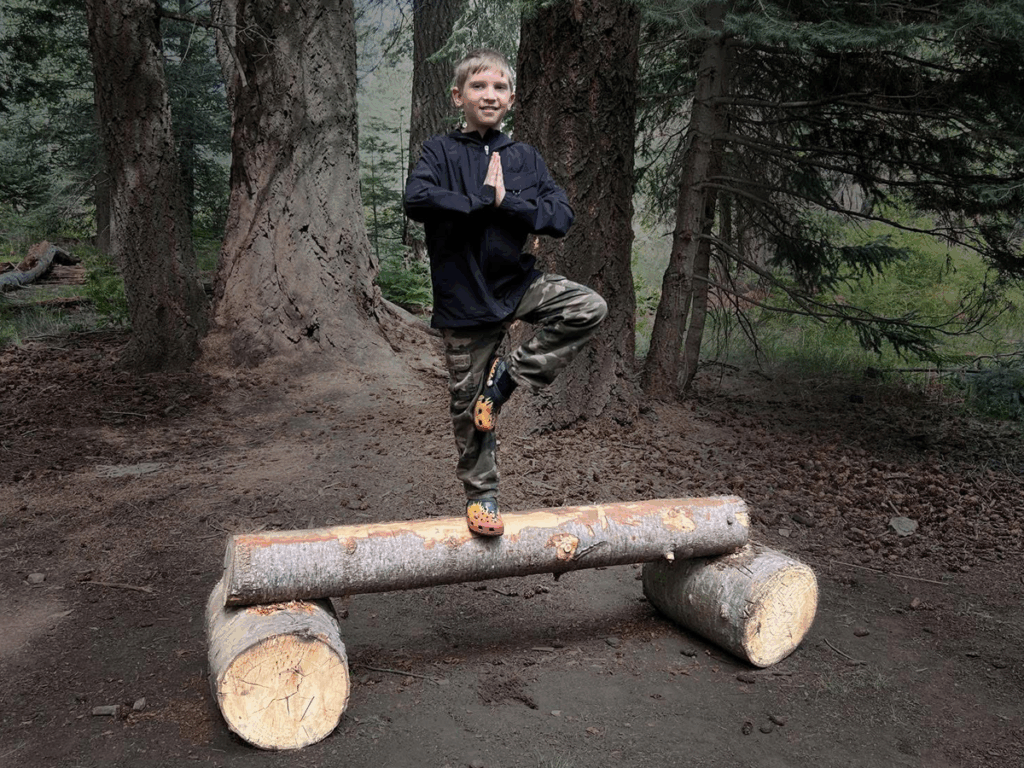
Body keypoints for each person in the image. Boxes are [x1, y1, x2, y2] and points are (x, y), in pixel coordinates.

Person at [404, 49, 607, 537]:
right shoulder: (439, 152)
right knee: (468, 411)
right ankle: (483, 499)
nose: (488, 95)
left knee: (587, 307)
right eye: (478, 87)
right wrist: (479, 202)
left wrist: (508, 202)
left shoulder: (524, 158)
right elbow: (417, 198)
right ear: (459, 97)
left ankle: (508, 378)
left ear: (511, 98)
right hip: (463, 300)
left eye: (498, 88)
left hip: (518, 285)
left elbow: (559, 217)